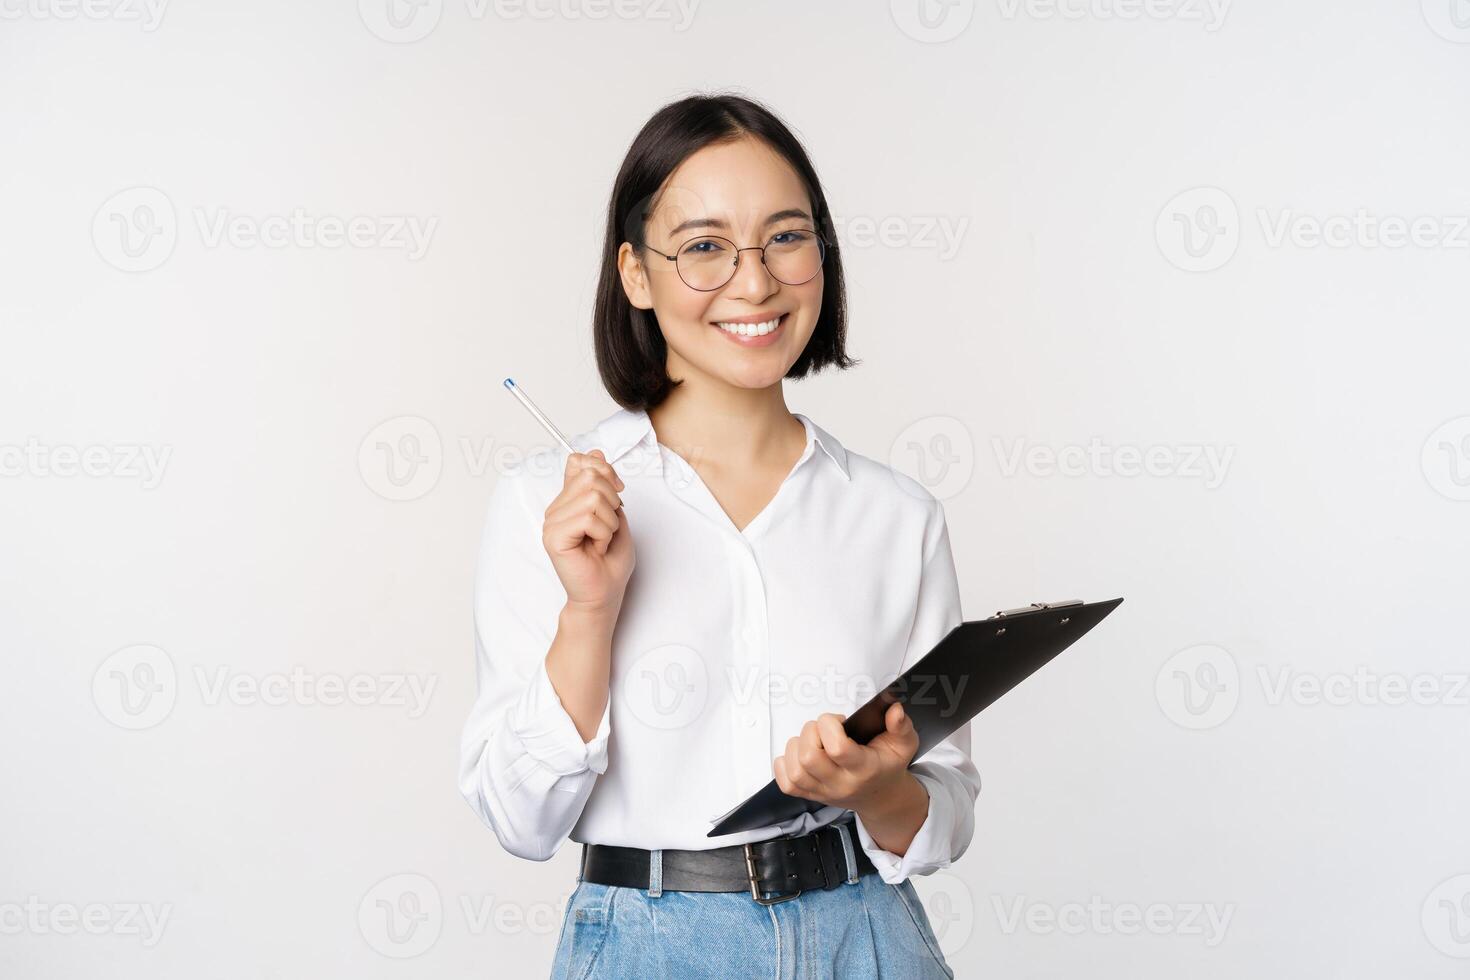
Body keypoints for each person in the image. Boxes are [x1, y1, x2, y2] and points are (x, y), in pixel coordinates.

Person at [458, 92, 978, 979]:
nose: (755, 281)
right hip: (648, 948)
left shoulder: (898, 517)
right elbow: (521, 822)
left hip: (871, 939)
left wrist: (878, 786)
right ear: (635, 274)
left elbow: (948, 813)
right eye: (704, 247)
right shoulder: (550, 506)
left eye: (786, 236)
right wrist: (590, 612)